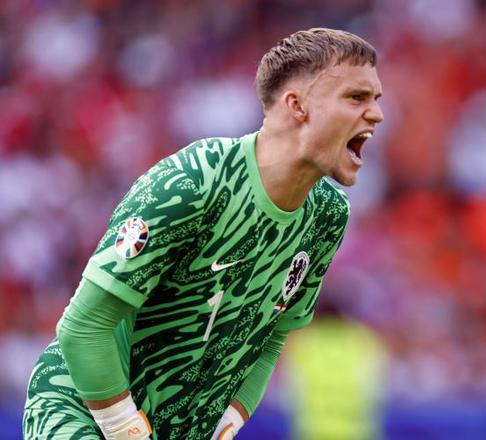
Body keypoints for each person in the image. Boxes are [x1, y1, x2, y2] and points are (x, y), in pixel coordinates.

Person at [23, 27, 384, 440]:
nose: (376, 114)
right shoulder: (195, 182)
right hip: (85, 412)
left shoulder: (328, 215)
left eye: (376, 99)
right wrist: (126, 430)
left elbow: (270, 339)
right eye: (356, 97)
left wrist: (228, 423)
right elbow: (84, 327)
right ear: (297, 105)